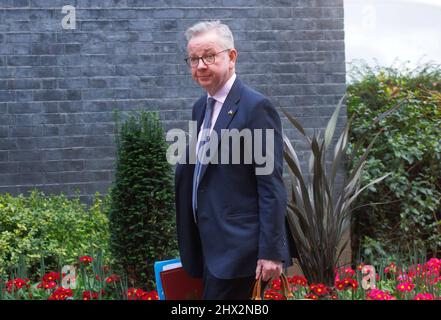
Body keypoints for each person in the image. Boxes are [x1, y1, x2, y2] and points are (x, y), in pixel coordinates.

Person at [174, 20, 294, 300]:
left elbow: (270, 184)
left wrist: (270, 252)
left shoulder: (255, 108)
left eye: (209, 56)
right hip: (208, 247)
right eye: (194, 59)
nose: (200, 65)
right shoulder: (200, 107)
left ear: (231, 56)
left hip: (241, 254)